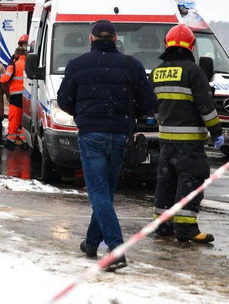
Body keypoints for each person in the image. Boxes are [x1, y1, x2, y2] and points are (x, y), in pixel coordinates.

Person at [56, 19, 156, 272]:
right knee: (106, 193)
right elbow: (147, 102)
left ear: (91, 39)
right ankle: (91, 243)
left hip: (91, 134)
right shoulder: (132, 65)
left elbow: (64, 101)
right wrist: (128, 113)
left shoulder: (77, 65)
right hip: (120, 135)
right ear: (115, 40)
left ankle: (115, 249)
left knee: (99, 194)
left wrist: (84, 112)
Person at [151, 24, 224, 243]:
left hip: (166, 141)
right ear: (191, 46)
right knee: (190, 181)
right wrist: (217, 133)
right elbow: (207, 108)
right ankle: (186, 229)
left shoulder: (157, 72)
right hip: (190, 144)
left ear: (167, 45)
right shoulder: (194, 72)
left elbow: (154, 107)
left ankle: (163, 225)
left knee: (166, 182)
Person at [0, 34, 28, 149]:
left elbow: (6, 78)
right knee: (24, 119)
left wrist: (0, 78)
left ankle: (11, 140)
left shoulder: (14, 64)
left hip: (15, 95)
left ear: (16, 54)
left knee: (14, 118)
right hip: (27, 96)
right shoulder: (30, 63)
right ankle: (23, 139)